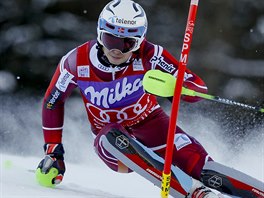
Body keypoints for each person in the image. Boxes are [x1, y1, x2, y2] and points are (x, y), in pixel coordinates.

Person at [36, 0, 226, 197]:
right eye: (111, 40)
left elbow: (198, 86)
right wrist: (53, 150)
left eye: (128, 43)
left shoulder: (151, 55)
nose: (117, 50)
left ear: (140, 40)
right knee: (112, 134)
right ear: (99, 34)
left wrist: (177, 88)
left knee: (201, 166)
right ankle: (191, 190)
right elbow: (53, 102)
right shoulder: (75, 62)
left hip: (152, 125)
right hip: (114, 148)